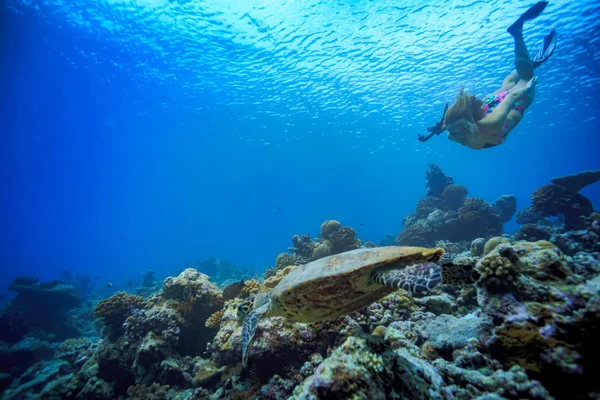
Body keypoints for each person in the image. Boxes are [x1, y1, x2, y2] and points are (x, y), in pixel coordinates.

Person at [419, 2, 556, 149]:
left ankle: (517, 34)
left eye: (463, 130)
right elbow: (451, 127)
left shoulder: (492, 123)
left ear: (472, 122)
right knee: (507, 85)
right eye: (454, 134)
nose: (460, 137)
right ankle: (529, 64)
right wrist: (444, 127)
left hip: (510, 108)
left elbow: (512, 97)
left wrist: (528, 87)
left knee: (525, 79)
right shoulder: (452, 135)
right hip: (488, 107)